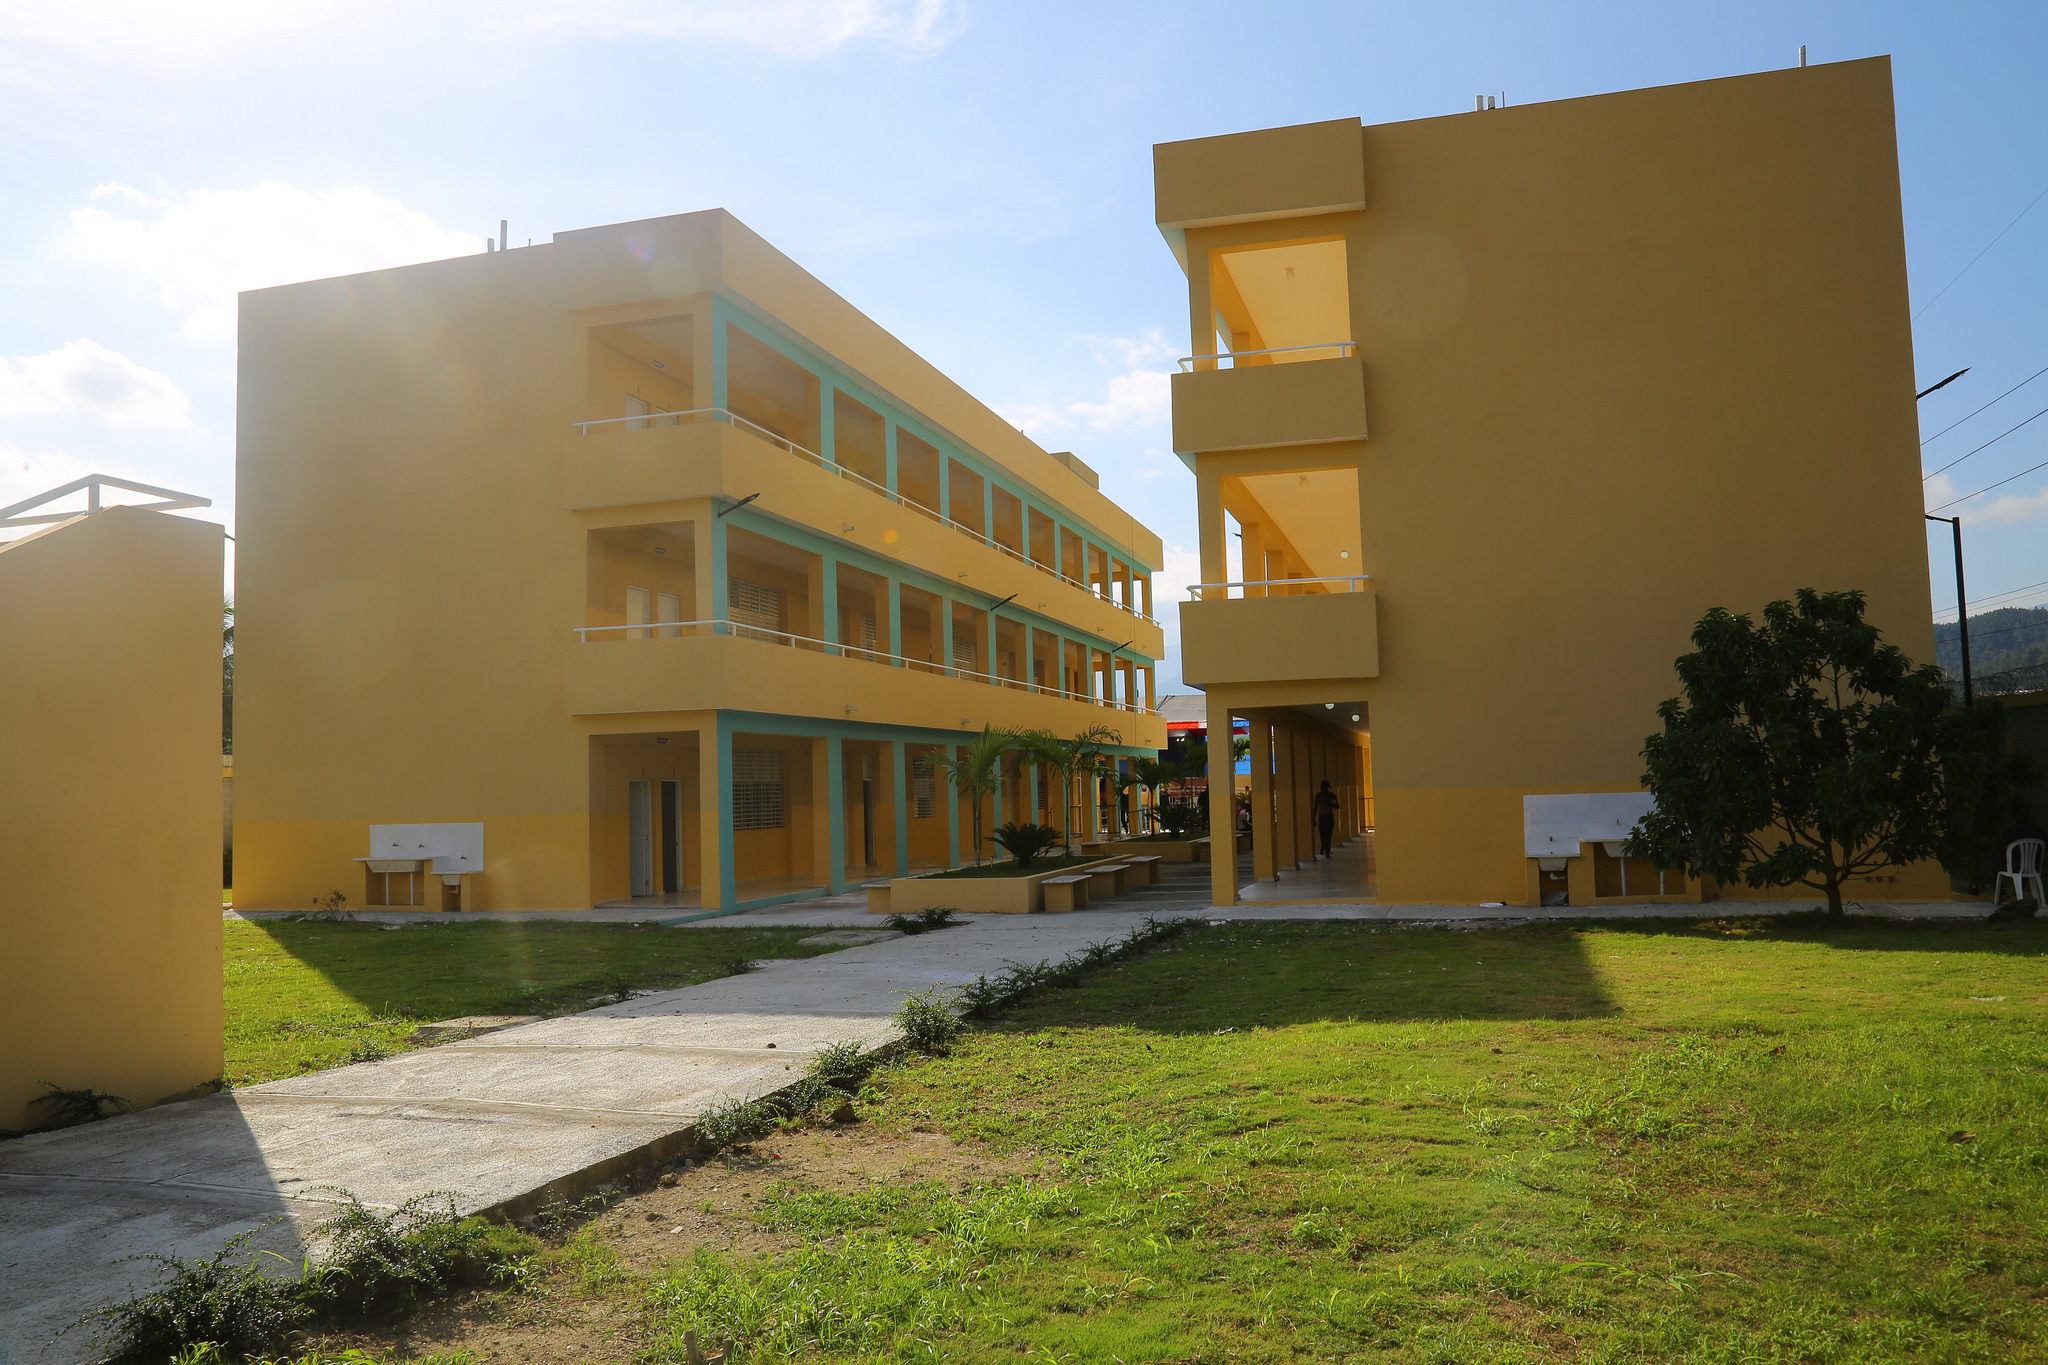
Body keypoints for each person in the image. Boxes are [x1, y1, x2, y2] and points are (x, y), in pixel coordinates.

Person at [1311, 779, 1339, 858]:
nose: (1322, 788)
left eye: (1324, 787)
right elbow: (1315, 807)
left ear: (1327, 787)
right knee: (1322, 835)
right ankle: (1323, 845)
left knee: (1329, 835)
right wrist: (1314, 818)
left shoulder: (1331, 796)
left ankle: (1327, 851)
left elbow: (1337, 806)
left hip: (1329, 818)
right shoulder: (1318, 796)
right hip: (1321, 818)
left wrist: (1329, 803)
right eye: (1321, 787)